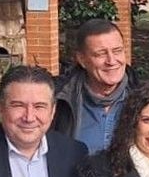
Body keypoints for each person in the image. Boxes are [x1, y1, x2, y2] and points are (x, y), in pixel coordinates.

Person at [52, 19, 137, 153]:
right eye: (101, 54)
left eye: (117, 51)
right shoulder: (58, 100)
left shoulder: (144, 98)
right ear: (82, 60)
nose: (111, 61)